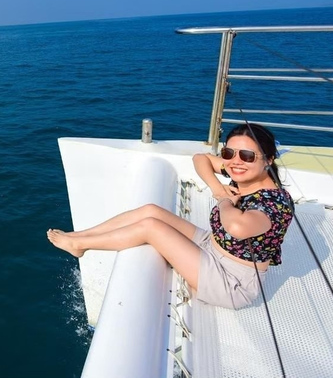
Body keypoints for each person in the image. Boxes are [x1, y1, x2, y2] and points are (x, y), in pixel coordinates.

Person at [47, 123, 294, 309]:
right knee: (151, 211)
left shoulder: (274, 203)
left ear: (268, 160)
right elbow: (201, 159)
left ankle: (81, 245)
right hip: (214, 246)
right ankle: (80, 235)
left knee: (151, 227)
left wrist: (224, 200)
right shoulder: (242, 172)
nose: (235, 161)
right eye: (229, 153)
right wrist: (218, 188)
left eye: (248, 156)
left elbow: (237, 227)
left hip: (231, 281)